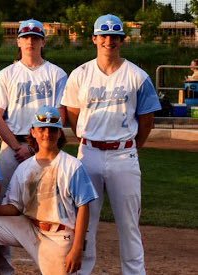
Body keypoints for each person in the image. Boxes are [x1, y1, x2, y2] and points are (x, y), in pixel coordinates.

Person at [61, 14, 161, 275]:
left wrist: (131, 145)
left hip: (123, 155)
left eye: (115, 36)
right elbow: (73, 114)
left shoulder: (137, 76)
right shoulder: (80, 74)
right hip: (89, 153)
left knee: (129, 225)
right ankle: (82, 271)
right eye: (103, 35)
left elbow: (147, 119)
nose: (109, 40)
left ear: (122, 40)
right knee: (85, 222)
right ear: (94, 38)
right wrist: (88, 136)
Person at [0, 19, 68, 275]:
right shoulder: (7, 74)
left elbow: (61, 115)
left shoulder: (56, 74)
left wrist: (34, 148)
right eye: (26, 37)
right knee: (4, 208)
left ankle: (54, 263)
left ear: (43, 41)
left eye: (35, 37)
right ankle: (4, 270)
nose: (30, 41)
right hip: (13, 146)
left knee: (53, 206)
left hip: (46, 147)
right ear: (18, 41)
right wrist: (18, 147)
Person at [0, 105, 97, 275]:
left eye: (53, 129)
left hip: (59, 237)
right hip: (28, 228)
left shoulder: (72, 166)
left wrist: (77, 248)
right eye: (42, 129)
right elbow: (15, 207)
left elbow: (84, 207)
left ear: (60, 133)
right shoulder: (24, 168)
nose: (47, 134)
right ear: (33, 132)